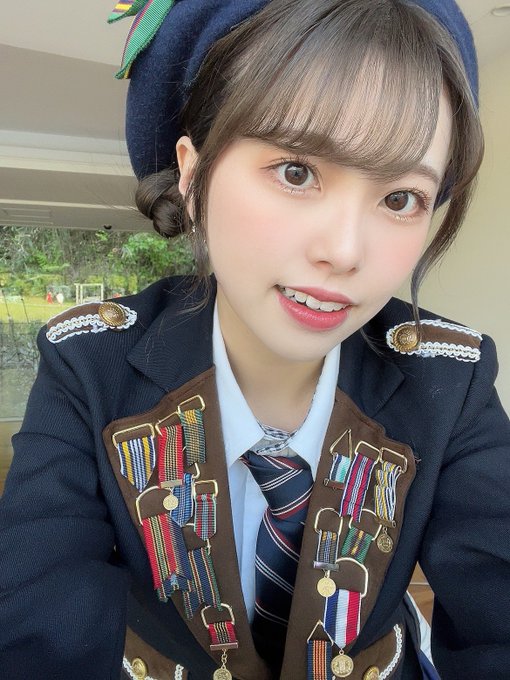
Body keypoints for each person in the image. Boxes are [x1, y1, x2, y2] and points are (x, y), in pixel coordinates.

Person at [1, 1, 509, 679]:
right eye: (296, 171)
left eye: (399, 199)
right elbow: (38, 615)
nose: (345, 251)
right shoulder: (90, 364)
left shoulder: (450, 379)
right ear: (193, 176)